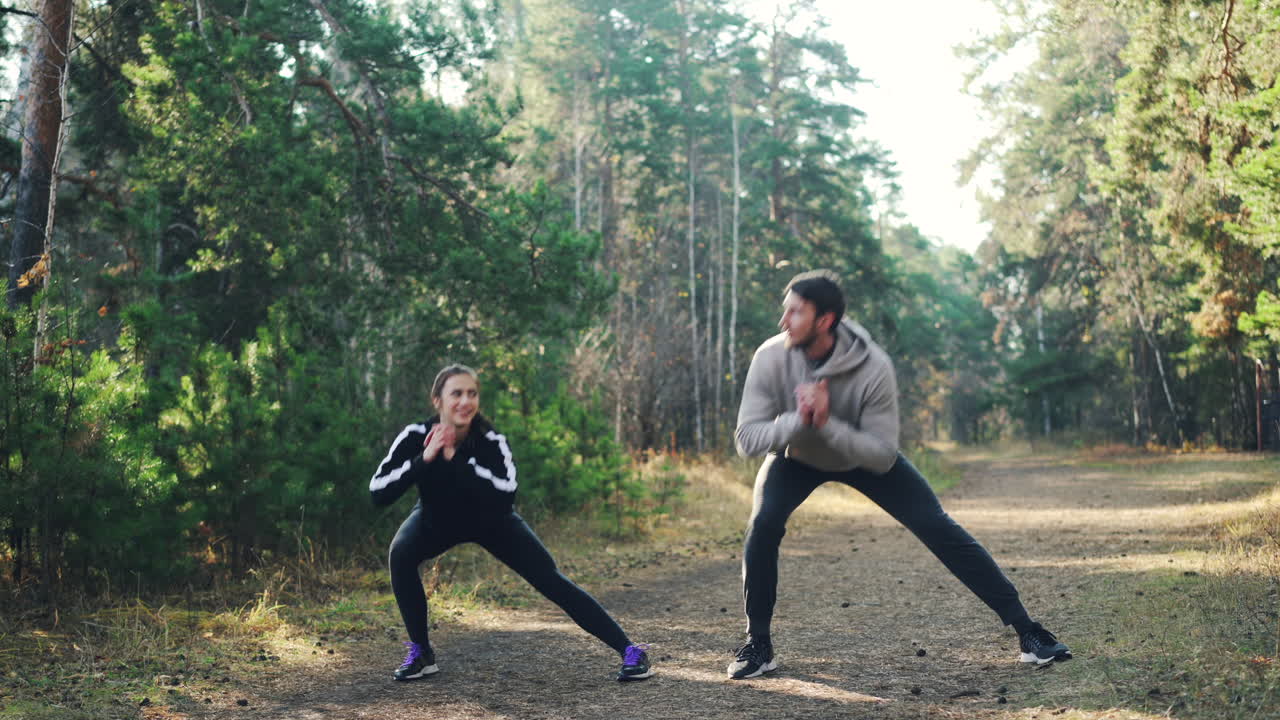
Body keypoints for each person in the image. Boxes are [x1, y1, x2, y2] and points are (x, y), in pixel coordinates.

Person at [727, 270, 1070, 680]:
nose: (783, 321)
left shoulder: (873, 366)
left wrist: (827, 424)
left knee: (936, 525)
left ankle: (1028, 632)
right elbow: (746, 439)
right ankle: (758, 644)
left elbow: (882, 453)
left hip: (862, 458)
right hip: (794, 456)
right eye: (785, 311)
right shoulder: (770, 356)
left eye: (795, 313)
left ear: (825, 320)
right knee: (763, 525)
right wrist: (797, 421)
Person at [370, 364, 653, 682]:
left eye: (472, 393)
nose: (466, 401)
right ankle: (421, 652)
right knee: (401, 554)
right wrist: (426, 458)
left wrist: (455, 460)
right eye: (457, 394)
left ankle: (630, 651)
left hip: (492, 520)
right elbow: (379, 491)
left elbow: (505, 494)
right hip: (436, 518)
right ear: (437, 400)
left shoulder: (490, 440)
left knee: (549, 578)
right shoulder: (416, 436)